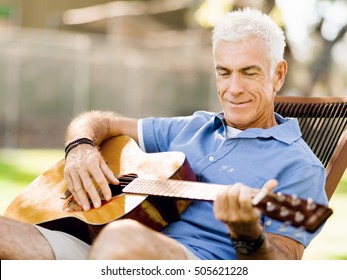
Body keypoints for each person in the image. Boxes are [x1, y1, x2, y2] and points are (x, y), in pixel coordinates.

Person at [0, 7, 328, 260]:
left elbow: (282, 264)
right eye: (224, 72)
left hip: (185, 261)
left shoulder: (300, 167)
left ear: (278, 74)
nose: (233, 89)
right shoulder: (191, 127)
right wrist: (81, 147)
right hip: (101, 249)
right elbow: (101, 121)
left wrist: (248, 232)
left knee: (122, 239)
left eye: (249, 73)